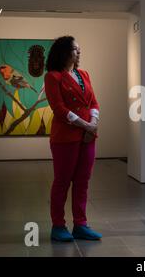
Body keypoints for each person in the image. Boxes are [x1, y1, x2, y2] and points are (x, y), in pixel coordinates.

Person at [44, 35, 102, 241]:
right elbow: (59, 109)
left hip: (88, 136)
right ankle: (58, 225)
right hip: (65, 138)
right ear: (64, 52)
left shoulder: (84, 74)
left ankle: (81, 224)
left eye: (79, 49)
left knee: (82, 181)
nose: (79, 52)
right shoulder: (53, 77)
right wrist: (86, 125)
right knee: (62, 181)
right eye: (75, 49)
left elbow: (93, 102)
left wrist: (93, 123)